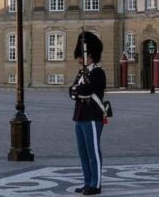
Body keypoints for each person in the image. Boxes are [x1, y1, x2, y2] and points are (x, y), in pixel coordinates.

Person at [68, 31, 106, 195]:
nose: (80, 59)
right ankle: (87, 181)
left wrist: (77, 91)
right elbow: (72, 91)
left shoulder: (97, 72)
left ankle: (95, 184)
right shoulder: (82, 73)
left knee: (93, 151)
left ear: (91, 55)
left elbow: (86, 90)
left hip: (92, 115)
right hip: (80, 115)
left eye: (82, 55)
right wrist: (77, 91)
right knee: (83, 152)